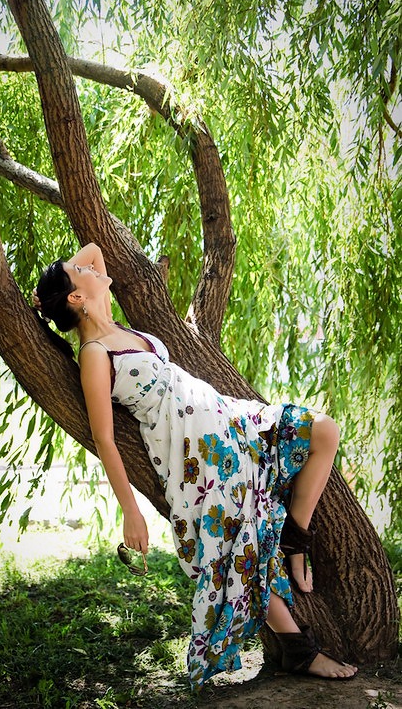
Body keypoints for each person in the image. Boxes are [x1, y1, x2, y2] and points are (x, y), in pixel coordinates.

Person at [33, 242, 357, 689]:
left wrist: (60, 285)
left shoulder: (115, 326)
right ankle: (300, 651)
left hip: (227, 417)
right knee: (239, 544)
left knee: (323, 431)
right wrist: (130, 511)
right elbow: (104, 437)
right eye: (78, 270)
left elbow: (95, 250)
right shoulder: (94, 352)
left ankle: (294, 539)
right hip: (197, 453)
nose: (87, 265)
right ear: (76, 296)